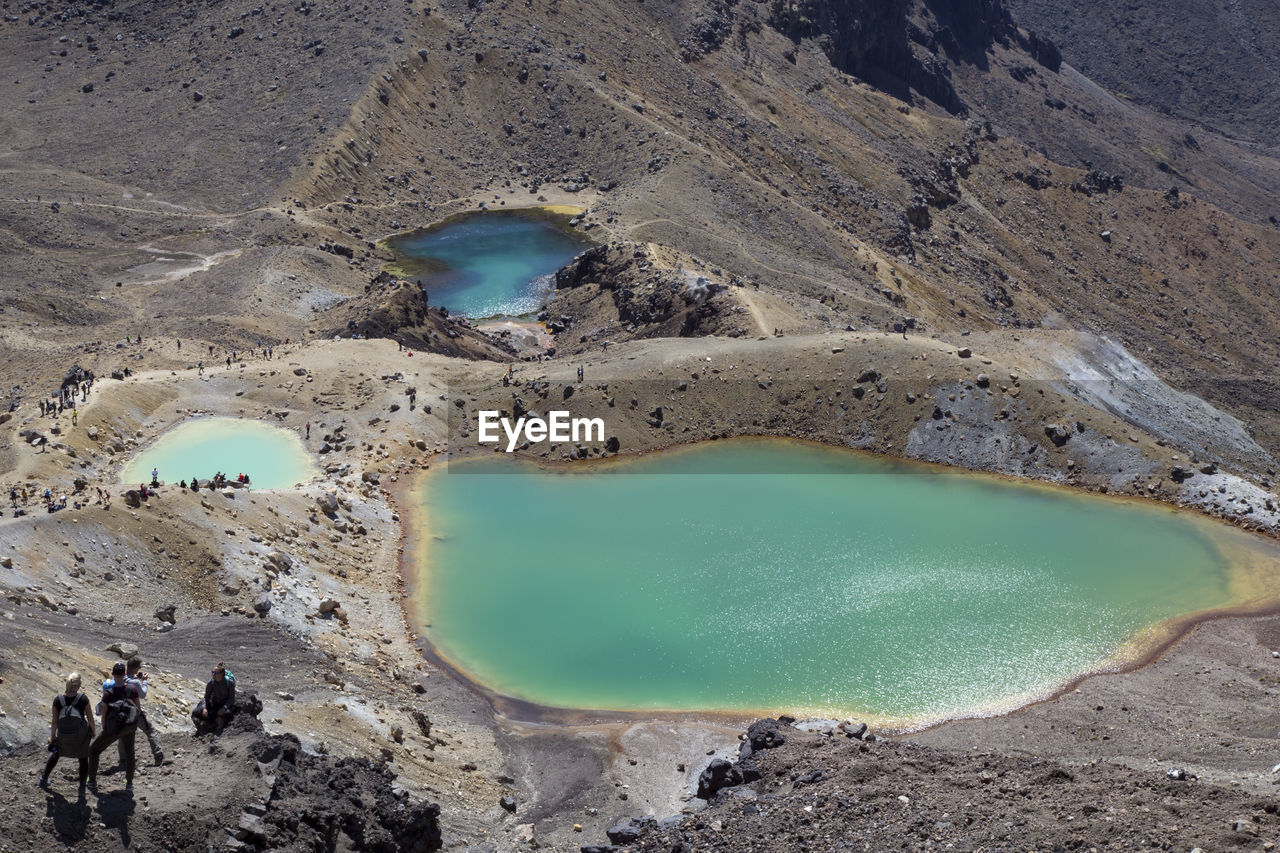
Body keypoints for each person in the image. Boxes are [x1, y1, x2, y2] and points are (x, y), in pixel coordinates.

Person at [88, 662, 141, 792]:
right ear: (124, 674)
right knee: (130, 753)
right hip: (128, 727)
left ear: (113, 674)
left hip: (112, 728)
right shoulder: (132, 689)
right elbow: (138, 709)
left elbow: (104, 713)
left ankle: (92, 781)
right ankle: (129, 783)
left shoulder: (108, 693)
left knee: (94, 750)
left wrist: (105, 728)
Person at [40, 672, 94, 792]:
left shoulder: (58, 700)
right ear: (79, 684)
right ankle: (81, 787)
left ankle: (43, 779)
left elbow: (54, 722)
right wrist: (93, 732)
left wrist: (53, 736)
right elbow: (90, 719)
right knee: (83, 758)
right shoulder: (83, 699)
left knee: (56, 753)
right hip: (80, 735)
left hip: (64, 735)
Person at [105, 658, 163, 766]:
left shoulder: (120, 680)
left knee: (123, 735)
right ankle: (158, 755)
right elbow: (142, 695)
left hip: (120, 713)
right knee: (150, 731)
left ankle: (123, 761)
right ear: (135, 668)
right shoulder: (135, 682)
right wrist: (144, 681)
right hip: (134, 712)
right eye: (138, 667)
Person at [191, 663, 235, 733]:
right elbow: (206, 697)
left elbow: (231, 698)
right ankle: (204, 727)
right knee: (196, 712)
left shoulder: (230, 683)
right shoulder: (211, 683)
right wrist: (205, 708)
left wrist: (224, 708)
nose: (213, 674)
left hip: (225, 704)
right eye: (212, 672)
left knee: (227, 713)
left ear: (222, 674)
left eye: (216, 673)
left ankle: (220, 723)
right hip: (215, 703)